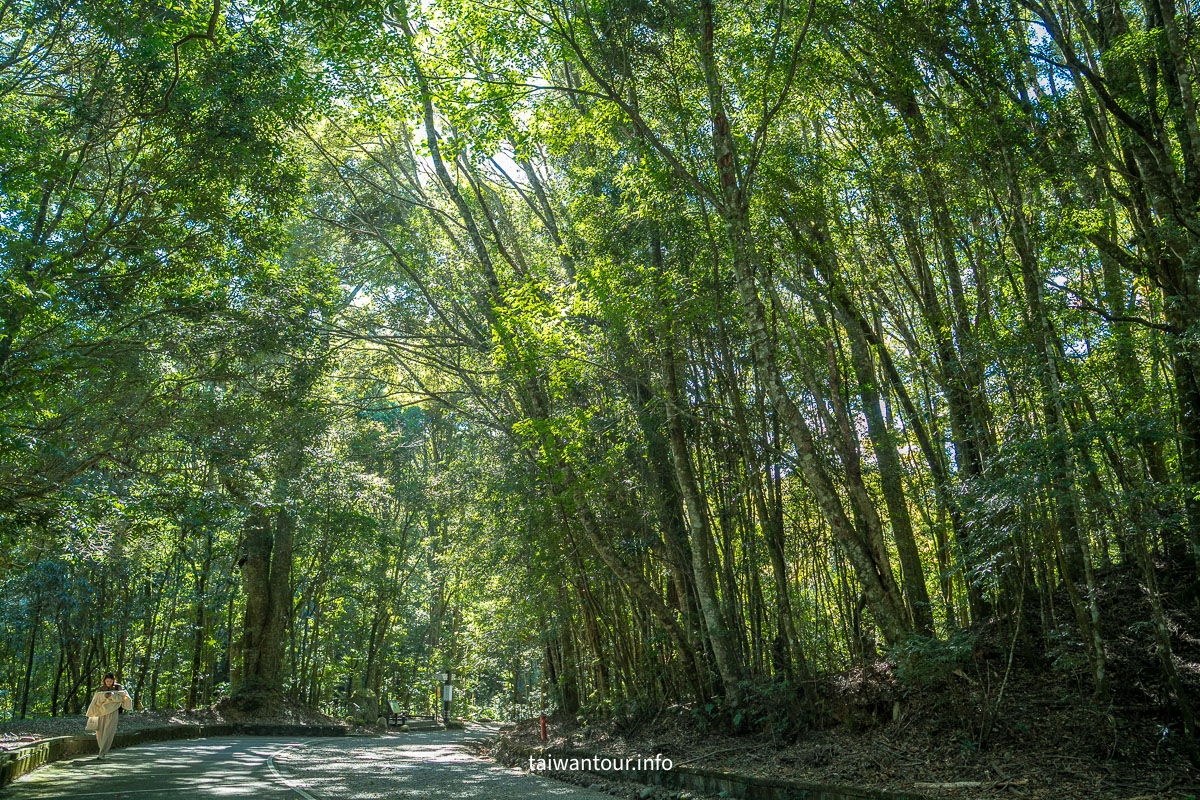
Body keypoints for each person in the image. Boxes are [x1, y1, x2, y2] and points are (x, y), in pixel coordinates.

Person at [85, 673, 131, 760]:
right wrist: (104, 696)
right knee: (99, 733)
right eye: (107, 681)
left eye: (110, 681)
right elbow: (96, 701)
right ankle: (101, 750)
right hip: (101, 713)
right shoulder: (101, 689)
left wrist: (112, 696)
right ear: (104, 681)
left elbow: (122, 698)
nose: (109, 683)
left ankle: (102, 753)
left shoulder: (118, 688)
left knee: (108, 732)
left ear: (113, 681)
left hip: (113, 712)